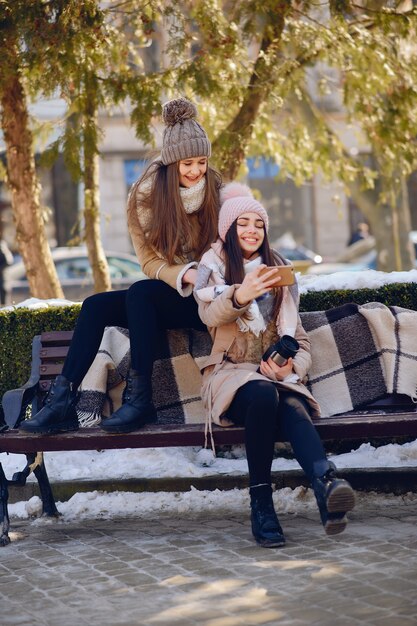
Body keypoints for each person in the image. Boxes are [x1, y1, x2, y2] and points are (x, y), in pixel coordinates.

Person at [20, 97, 221, 435]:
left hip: (212, 296)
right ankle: (61, 400)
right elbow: (148, 261)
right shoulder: (145, 199)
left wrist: (202, 273)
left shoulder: (218, 193)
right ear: (172, 164)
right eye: (188, 163)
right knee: (96, 305)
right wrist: (183, 273)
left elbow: (232, 247)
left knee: (141, 294)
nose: (196, 170)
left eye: (201, 161)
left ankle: (140, 400)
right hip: (175, 288)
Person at [194, 183, 355, 548]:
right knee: (265, 395)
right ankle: (261, 502)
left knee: (292, 403)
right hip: (230, 375)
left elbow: (301, 338)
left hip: (274, 378)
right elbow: (210, 313)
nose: (252, 230)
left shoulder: (279, 274)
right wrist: (241, 293)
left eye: (259, 224)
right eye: (243, 223)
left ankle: (327, 485)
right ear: (229, 230)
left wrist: (290, 367)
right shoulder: (214, 269)